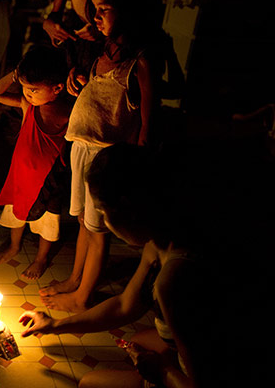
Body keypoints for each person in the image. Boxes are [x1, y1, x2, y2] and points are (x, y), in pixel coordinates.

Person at [19, 143, 214, 388]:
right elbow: (124, 305)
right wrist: (54, 325)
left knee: (89, 383)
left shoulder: (175, 277)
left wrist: (162, 372)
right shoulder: (158, 243)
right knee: (141, 340)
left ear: (126, 208)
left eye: (101, 211)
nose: (101, 221)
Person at [39, 0, 159, 312]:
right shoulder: (104, 51)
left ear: (129, 10)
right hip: (83, 147)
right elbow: (97, 92)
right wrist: (79, 79)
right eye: (95, 9)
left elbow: (148, 120)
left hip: (106, 157)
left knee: (98, 228)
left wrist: (138, 162)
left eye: (104, 9)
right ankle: (75, 280)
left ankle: (82, 296)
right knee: (82, 221)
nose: (97, 17)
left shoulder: (141, 60)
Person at [0, 46, 73, 279]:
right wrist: (15, 76)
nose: (27, 94)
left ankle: (41, 258)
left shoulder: (67, 113)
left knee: (48, 220)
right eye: (24, 88)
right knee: (17, 210)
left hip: (48, 179)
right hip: (21, 174)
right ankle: (14, 246)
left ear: (57, 88)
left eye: (33, 89)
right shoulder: (29, 106)